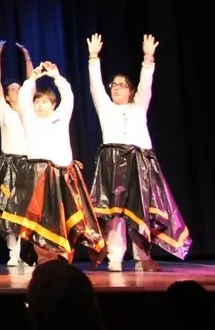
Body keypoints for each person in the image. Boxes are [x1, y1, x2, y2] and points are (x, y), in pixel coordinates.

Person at [86, 33, 191, 272]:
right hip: (113, 160)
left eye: (122, 85)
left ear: (131, 91)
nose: (116, 88)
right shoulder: (106, 107)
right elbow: (95, 86)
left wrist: (148, 58)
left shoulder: (139, 106)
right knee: (114, 212)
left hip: (139, 161)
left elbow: (146, 84)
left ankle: (143, 257)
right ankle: (115, 257)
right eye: (113, 85)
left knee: (141, 210)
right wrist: (93, 57)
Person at [1, 62, 105, 265]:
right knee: (40, 219)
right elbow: (23, 98)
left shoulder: (61, 116)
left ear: (53, 104)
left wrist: (57, 77)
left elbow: (69, 96)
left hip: (62, 176)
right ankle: (44, 259)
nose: (40, 105)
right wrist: (32, 78)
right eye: (37, 102)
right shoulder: (29, 118)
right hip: (38, 175)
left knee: (64, 218)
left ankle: (63, 257)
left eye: (45, 102)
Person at [0, 39, 34, 267]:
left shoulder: (30, 110)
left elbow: (32, 81)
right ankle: (13, 251)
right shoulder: (3, 110)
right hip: (9, 164)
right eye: (12, 89)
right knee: (9, 210)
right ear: (7, 95)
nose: (16, 91)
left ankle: (27, 253)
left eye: (19, 89)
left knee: (28, 210)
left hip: (29, 164)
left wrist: (28, 59)